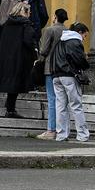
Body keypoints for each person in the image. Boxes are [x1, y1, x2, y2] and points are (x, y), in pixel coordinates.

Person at [0, 0, 38, 118]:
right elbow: (28, 41)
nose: (30, 14)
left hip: (7, 57)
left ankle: (10, 106)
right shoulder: (25, 24)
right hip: (20, 58)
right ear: (23, 11)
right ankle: (10, 109)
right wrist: (35, 51)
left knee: (11, 82)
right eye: (29, 12)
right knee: (16, 83)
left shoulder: (7, 24)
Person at [51, 22, 92, 142]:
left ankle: (61, 134)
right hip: (69, 75)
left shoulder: (61, 40)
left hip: (56, 75)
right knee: (76, 105)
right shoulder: (74, 41)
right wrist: (85, 64)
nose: (84, 39)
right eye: (85, 36)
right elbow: (79, 59)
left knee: (60, 106)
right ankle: (82, 134)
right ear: (80, 32)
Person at [34, 8, 68, 140]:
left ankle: (51, 129)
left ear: (55, 17)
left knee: (52, 99)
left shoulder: (50, 30)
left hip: (50, 67)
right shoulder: (68, 31)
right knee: (62, 100)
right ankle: (61, 129)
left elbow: (44, 50)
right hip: (63, 68)